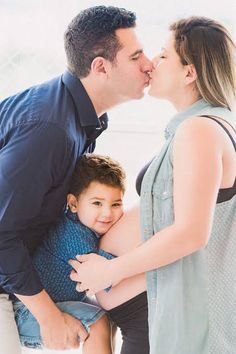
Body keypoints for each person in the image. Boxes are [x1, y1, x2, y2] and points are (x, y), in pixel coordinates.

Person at [70, 16, 236, 354]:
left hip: (158, 314)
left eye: (163, 55)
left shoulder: (200, 130)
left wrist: (110, 271)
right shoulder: (199, 127)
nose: (151, 64)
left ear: (190, 73)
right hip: (145, 310)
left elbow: (191, 233)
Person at [0, 5, 152, 353]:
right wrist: (49, 317)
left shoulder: (81, 118)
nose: (149, 66)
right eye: (136, 56)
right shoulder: (49, 129)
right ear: (101, 67)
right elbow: (1, 232)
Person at [14, 153, 149, 354]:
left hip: (55, 301)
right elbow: (109, 277)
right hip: (28, 313)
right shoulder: (75, 237)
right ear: (74, 204)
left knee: (106, 314)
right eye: (97, 203)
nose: (107, 213)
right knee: (97, 322)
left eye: (116, 204)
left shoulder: (86, 229)